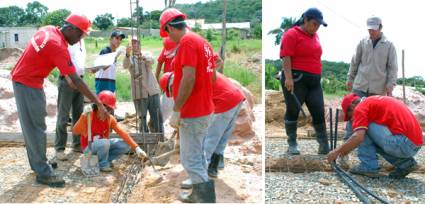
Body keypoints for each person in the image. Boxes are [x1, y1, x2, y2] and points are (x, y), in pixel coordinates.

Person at [11, 14, 108, 187]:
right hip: (27, 82)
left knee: (35, 124)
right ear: (70, 29)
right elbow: (76, 79)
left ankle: (39, 162)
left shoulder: (48, 30)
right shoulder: (57, 46)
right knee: (35, 127)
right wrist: (98, 102)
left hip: (29, 80)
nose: (80, 40)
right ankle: (43, 172)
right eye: (80, 35)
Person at [159, 8, 216, 203]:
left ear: (168, 27)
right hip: (204, 108)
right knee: (197, 155)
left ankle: (205, 199)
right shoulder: (203, 42)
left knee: (190, 159)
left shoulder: (187, 43)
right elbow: (213, 76)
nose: (168, 37)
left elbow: (188, 78)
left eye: (166, 32)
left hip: (194, 111)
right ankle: (200, 193)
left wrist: (176, 109)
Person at [160, 70, 246, 190]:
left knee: (208, 140)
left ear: (170, 85)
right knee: (221, 138)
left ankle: (198, 178)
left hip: (223, 100)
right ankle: (213, 168)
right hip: (236, 98)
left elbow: (191, 109)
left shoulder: (181, 83)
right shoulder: (190, 76)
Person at [327, 94, 423, 179]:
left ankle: (368, 166)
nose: (352, 119)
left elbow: (358, 137)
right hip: (414, 143)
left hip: (403, 143)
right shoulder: (372, 101)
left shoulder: (360, 108)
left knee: (363, 128)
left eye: (350, 116)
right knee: (370, 135)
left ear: (352, 106)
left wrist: (337, 151)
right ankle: (406, 164)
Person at [279, 8, 329, 155]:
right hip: (296, 79)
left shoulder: (315, 36)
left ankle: (323, 144)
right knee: (293, 110)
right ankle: (292, 144)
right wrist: (288, 78)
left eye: (318, 25)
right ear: (305, 20)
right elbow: (286, 56)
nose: (316, 27)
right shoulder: (291, 34)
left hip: (314, 82)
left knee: (318, 110)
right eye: (314, 24)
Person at [72, 90, 147, 172]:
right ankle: (102, 164)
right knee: (105, 142)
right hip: (89, 148)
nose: (108, 111)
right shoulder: (89, 115)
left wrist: (137, 148)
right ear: (99, 106)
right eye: (107, 108)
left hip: (103, 145)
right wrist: (83, 116)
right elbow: (75, 131)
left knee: (125, 145)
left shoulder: (109, 119)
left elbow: (123, 133)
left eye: (110, 109)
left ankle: (105, 160)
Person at [346, 16, 398, 97]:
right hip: (360, 86)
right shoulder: (362, 42)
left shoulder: (389, 45)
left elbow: (392, 68)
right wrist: (350, 79)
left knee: (374, 110)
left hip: (378, 90)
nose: (371, 32)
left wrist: (390, 86)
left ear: (380, 27)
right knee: (356, 109)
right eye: (369, 29)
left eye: (374, 29)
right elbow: (354, 62)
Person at [123, 39, 164, 134]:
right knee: (142, 119)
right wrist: (127, 55)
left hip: (152, 91)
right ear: (130, 48)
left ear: (140, 45)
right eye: (133, 45)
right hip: (139, 93)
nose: (135, 47)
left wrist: (143, 58)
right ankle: (144, 139)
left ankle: (160, 138)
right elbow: (125, 65)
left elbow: (151, 61)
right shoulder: (129, 58)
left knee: (157, 117)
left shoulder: (146, 54)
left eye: (137, 44)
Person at [54, 39, 86, 160]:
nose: (87, 33)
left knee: (78, 114)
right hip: (68, 80)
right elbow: (60, 61)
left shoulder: (82, 42)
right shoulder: (68, 41)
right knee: (63, 115)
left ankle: (77, 144)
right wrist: (68, 78)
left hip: (79, 79)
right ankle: (60, 148)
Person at [156, 37, 177, 121]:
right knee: (165, 107)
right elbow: (160, 62)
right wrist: (156, 78)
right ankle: (159, 128)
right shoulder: (168, 46)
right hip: (167, 82)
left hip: (179, 83)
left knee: (179, 109)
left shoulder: (185, 49)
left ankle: (177, 132)